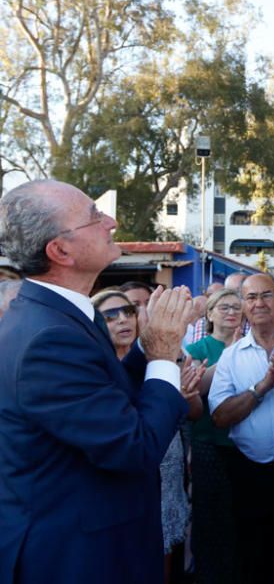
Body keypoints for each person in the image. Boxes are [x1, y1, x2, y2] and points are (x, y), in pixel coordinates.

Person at [0, 179, 197, 584]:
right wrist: (163, 356)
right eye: (93, 216)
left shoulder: (62, 315)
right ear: (60, 250)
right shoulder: (48, 337)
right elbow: (133, 446)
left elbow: (104, 395)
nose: (110, 220)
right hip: (75, 558)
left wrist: (145, 350)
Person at [92, 289, 203, 583]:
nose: (122, 320)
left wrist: (184, 397)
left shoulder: (162, 355)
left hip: (168, 466)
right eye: (110, 315)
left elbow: (193, 412)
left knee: (170, 557)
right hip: (135, 470)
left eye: (128, 312)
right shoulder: (95, 367)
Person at [209, 273, 274, 584]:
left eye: (266, 295)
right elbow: (220, 417)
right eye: (251, 298)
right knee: (255, 563)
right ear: (244, 306)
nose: (259, 303)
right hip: (250, 476)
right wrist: (263, 386)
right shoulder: (231, 358)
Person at [186, 288, 244, 584]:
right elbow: (200, 388)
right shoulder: (198, 349)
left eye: (236, 307)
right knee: (210, 513)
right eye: (224, 308)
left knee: (239, 515)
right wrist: (233, 356)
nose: (232, 312)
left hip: (243, 444)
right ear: (209, 314)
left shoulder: (251, 344)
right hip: (209, 442)